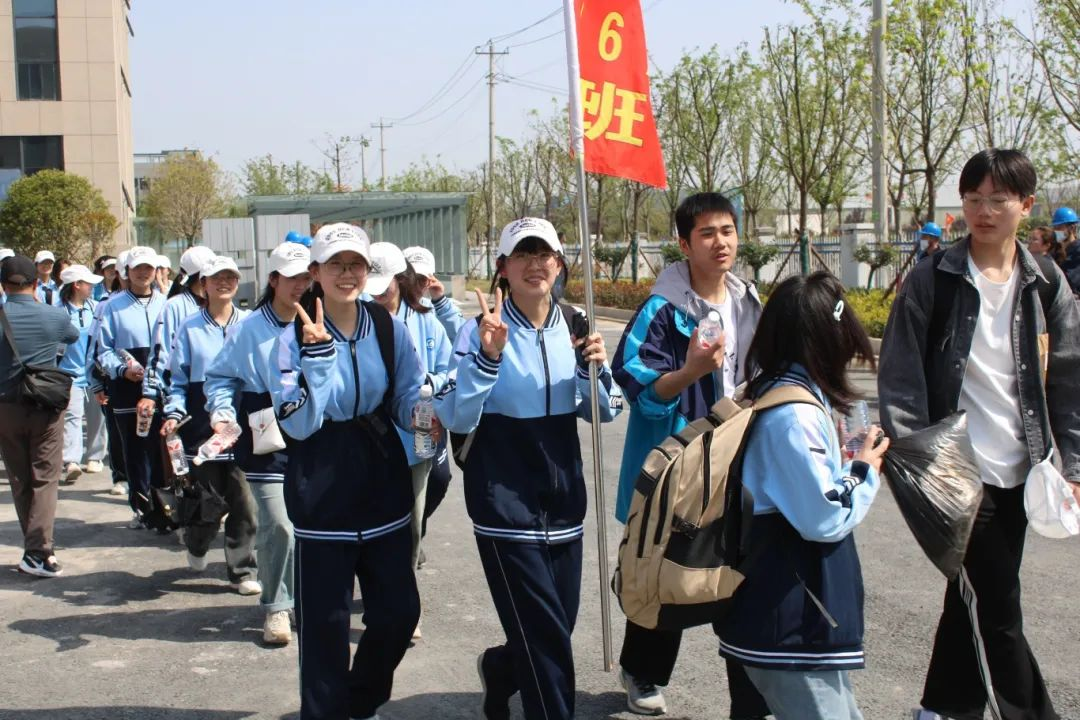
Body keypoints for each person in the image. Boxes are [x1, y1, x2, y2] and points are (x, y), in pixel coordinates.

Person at [879, 149, 1080, 720]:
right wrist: (919, 467)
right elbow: (899, 378)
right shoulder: (932, 279)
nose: (983, 211)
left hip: (1024, 469)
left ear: (1026, 204)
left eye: (998, 199)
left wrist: (1072, 466)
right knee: (998, 609)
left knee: (973, 595)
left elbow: (1070, 379)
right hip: (957, 472)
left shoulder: (1046, 282)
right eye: (972, 199)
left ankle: (942, 707)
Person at [435, 217, 622, 720]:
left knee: (555, 626)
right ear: (503, 267)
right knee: (544, 637)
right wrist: (487, 358)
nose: (535, 264)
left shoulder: (577, 324)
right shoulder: (478, 329)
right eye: (522, 254)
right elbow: (455, 415)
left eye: (544, 254)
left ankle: (500, 669)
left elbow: (607, 411)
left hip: (564, 500)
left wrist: (592, 372)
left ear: (559, 264)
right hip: (503, 499)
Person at [611, 192, 768, 718]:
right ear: (684, 244)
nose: (720, 242)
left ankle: (751, 690)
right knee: (665, 564)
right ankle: (643, 671)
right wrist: (691, 372)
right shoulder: (662, 309)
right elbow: (638, 386)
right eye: (706, 233)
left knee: (741, 568)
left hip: (737, 454)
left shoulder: (748, 301)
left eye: (727, 230)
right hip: (680, 459)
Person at [270, 223, 426, 720]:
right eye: (334, 264)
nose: (346, 273)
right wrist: (317, 362)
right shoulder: (289, 338)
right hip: (320, 476)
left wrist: (424, 414)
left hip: (381, 472)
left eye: (355, 264)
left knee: (399, 613)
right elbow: (298, 424)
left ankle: (360, 701)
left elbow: (406, 392)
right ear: (314, 272)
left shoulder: (387, 326)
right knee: (325, 625)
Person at [717, 271, 888, 720]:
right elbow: (823, 516)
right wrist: (863, 471)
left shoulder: (772, 390)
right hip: (791, 621)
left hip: (783, 616)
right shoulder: (794, 415)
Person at [204, 241, 312, 645]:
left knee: (310, 526)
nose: (300, 285)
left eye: (306, 277)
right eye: (292, 277)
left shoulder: (321, 319)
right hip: (265, 432)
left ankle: (305, 597)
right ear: (273, 280)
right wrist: (222, 413)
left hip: (314, 431)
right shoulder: (249, 328)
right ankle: (277, 605)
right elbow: (221, 376)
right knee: (278, 524)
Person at [161, 255, 259, 596]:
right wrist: (173, 413)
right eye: (216, 277)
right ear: (203, 284)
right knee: (209, 502)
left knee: (245, 502)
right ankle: (197, 541)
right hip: (201, 430)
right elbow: (176, 379)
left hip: (243, 426)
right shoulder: (189, 328)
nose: (224, 283)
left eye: (230, 277)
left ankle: (241, 570)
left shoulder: (249, 323)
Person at [368, 242, 452, 627]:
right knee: (372, 523)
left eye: (384, 287)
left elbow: (451, 371)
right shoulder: (356, 317)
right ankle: (378, 596)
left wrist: (431, 388)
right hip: (367, 441)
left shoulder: (426, 322)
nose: (376, 295)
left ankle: (404, 601)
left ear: (400, 281)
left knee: (413, 522)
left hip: (415, 437)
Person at [0, 254, 79, 576]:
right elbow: (72, 336)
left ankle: (35, 549)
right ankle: (38, 551)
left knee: (20, 479)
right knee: (45, 478)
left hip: (6, 406)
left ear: (3, 285)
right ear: (36, 283)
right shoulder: (54, 315)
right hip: (46, 403)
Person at [95, 246, 169, 526]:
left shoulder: (166, 304)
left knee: (162, 448)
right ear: (127, 271)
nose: (143, 273)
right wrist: (122, 370)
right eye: (138, 268)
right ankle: (142, 509)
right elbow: (102, 350)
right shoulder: (112, 306)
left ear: (156, 271)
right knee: (135, 450)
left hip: (161, 388)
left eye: (148, 267)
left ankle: (166, 508)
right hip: (126, 389)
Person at [140, 245, 216, 411]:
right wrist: (151, 392)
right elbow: (161, 350)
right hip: (186, 394)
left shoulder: (220, 304)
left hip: (222, 393)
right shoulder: (174, 306)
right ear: (202, 278)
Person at [58, 265, 107, 485]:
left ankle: (95, 456)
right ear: (76, 285)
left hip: (93, 372)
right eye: (88, 283)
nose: (92, 287)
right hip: (68, 374)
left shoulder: (96, 308)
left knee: (97, 416)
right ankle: (71, 461)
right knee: (72, 416)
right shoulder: (58, 311)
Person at [403, 245, 466, 342]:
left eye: (422, 279)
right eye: (412, 278)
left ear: (431, 280)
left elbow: (461, 338)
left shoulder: (434, 309)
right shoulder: (391, 307)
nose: (416, 285)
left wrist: (440, 300)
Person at [1051, 206, 1080, 294]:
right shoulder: (1055, 249)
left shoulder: (1077, 250)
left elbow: (1070, 281)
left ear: (1071, 228)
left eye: (1059, 227)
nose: (1056, 231)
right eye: (1054, 227)